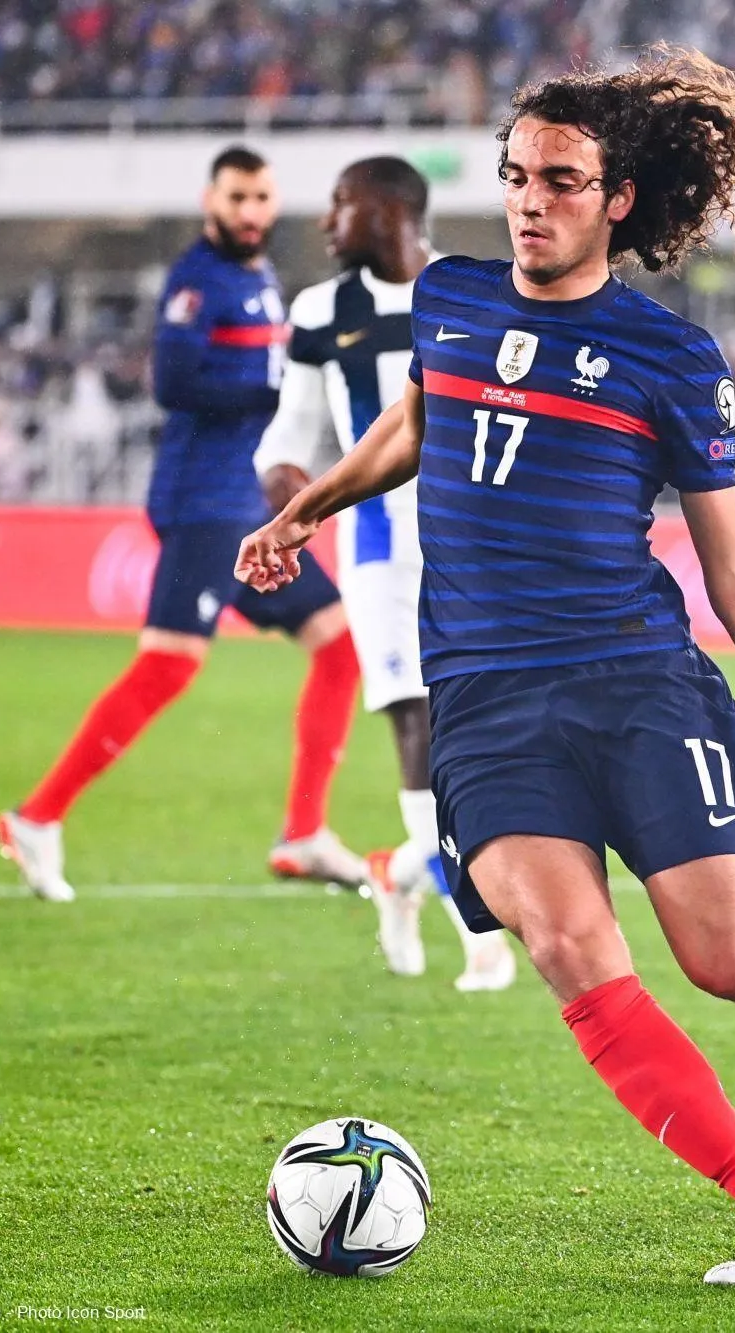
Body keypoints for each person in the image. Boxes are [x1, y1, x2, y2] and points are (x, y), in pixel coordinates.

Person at [236, 48, 735, 1285]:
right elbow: (412, 429)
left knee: (731, 962)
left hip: (638, 680)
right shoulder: (451, 301)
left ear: (616, 199)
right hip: (483, 697)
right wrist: (304, 509)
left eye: (562, 180)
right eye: (516, 175)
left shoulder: (667, 359)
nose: (531, 200)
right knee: (568, 949)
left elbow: (731, 566)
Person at [0, 145, 369, 903]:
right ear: (211, 201)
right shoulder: (196, 279)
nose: (251, 211)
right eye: (237, 197)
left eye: (262, 197)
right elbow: (172, 380)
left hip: (247, 508)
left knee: (339, 646)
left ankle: (303, 831)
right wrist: (278, 382)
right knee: (169, 665)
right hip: (205, 506)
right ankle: (37, 816)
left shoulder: (258, 279)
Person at [253, 156, 515, 992]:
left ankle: (401, 874)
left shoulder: (476, 291)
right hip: (375, 545)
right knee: (418, 725)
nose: (326, 222)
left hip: (477, 539)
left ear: (393, 209)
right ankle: (481, 934)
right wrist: (292, 501)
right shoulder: (322, 310)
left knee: (496, 733)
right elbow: (287, 439)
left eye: (341, 205)